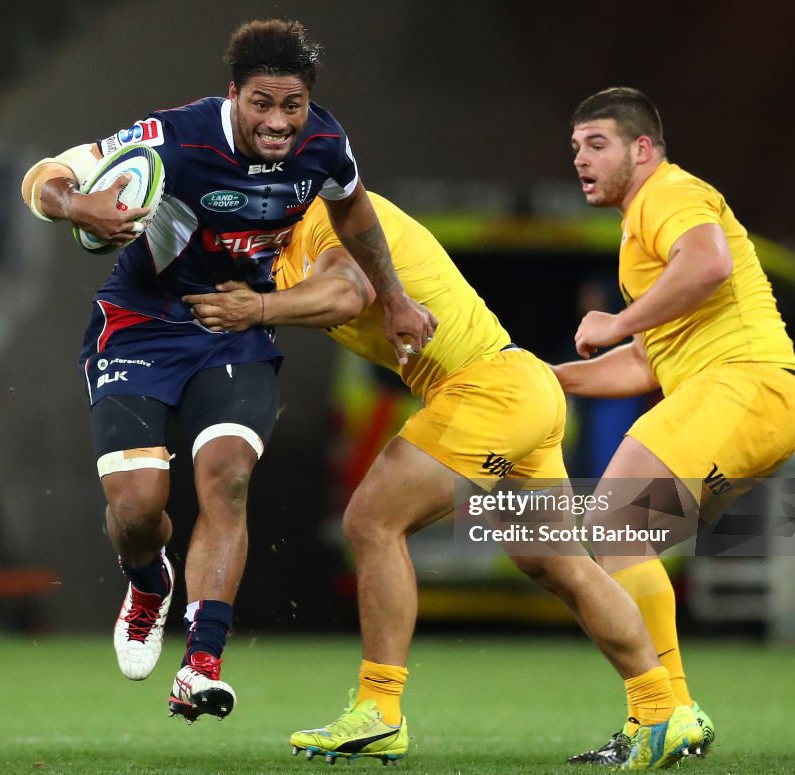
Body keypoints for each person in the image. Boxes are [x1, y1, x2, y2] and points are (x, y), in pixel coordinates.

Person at [185, 191, 703, 769]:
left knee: (372, 521)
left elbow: (344, 291)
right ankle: (663, 709)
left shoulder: (329, 221)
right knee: (557, 561)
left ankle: (379, 710)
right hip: (518, 384)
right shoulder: (273, 250)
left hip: (487, 390)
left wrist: (257, 310)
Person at [19, 19, 435, 723]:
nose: (278, 122)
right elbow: (43, 176)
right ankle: (149, 581)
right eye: (262, 104)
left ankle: (201, 662)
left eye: (292, 105)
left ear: (309, 104)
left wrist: (393, 295)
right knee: (136, 509)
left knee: (229, 480)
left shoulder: (326, 144)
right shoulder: (174, 137)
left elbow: (355, 212)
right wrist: (77, 202)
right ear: (233, 95)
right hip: (141, 323)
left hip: (233, 328)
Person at [554, 86, 795, 764]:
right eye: (576, 148)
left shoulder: (664, 194)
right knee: (615, 549)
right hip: (756, 404)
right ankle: (663, 718)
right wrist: (543, 379)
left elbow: (709, 263)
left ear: (642, 149)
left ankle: (666, 709)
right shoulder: (643, 223)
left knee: (611, 523)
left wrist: (616, 317)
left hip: (744, 384)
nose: (581, 159)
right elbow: (644, 363)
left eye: (598, 144)